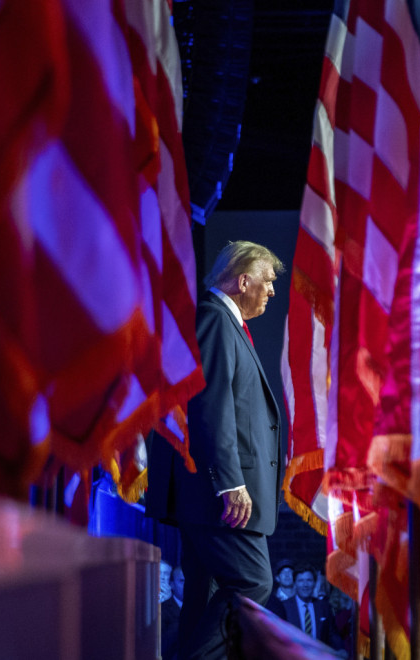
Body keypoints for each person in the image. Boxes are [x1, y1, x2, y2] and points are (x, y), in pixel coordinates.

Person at [172, 241, 285, 659]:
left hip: (214, 497)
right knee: (253, 583)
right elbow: (210, 405)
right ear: (243, 280)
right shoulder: (216, 320)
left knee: (203, 597)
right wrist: (230, 482)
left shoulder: (228, 324)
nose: (272, 291)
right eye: (268, 281)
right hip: (223, 497)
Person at [280, 565, 333, 647]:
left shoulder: (324, 607)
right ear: (295, 584)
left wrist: (341, 650)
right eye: (301, 581)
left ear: (315, 583)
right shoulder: (284, 607)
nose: (305, 585)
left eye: (309, 580)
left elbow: (332, 634)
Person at [161, 566, 184, 660]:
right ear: (172, 584)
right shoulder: (162, 609)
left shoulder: (201, 607)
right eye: (182, 581)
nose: (187, 585)